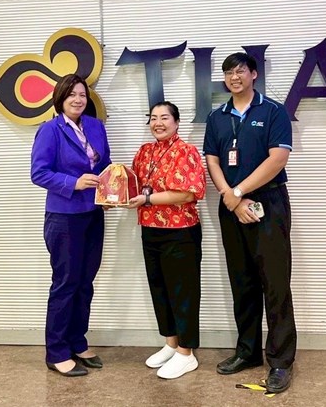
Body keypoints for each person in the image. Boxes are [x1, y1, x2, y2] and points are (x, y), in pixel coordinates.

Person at [203, 53, 296, 393]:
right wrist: (230, 197)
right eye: (228, 72)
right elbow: (212, 159)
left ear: (254, 74)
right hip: (231, 205)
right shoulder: (217, 117)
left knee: (275, 284)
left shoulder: (272, 111)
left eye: (240, 70)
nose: (234, 77)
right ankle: (247, 351)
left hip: (268, 203)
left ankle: (281, 362)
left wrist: (239, 192)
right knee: (242, 283)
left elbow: (278, 159)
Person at [31, 74, 111, 377]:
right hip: (64, 216)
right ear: (61, 98)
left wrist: (112, 190)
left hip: (94, 213)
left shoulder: (96, 126)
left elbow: (105, 165)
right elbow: (39, 173)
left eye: (82, 94)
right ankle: (57, 351)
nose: (78, 99)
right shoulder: (50, 130)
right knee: (65, 283)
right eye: (71, 95)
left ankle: (77, 341)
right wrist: (73, 182)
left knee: (85, 281)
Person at [125, 101, 206, 380]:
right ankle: (171, 344)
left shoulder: (186, 151)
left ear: (176, 122)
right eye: (153, 118)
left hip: (180, 231)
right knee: (159, 289)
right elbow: (131, 187)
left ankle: (186, 352)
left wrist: (147, 199)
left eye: (164, 117)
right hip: (150, 229)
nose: (158, 123)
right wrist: (112, 196)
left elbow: (188, 193)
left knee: (183, 292)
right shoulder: (144, 152)